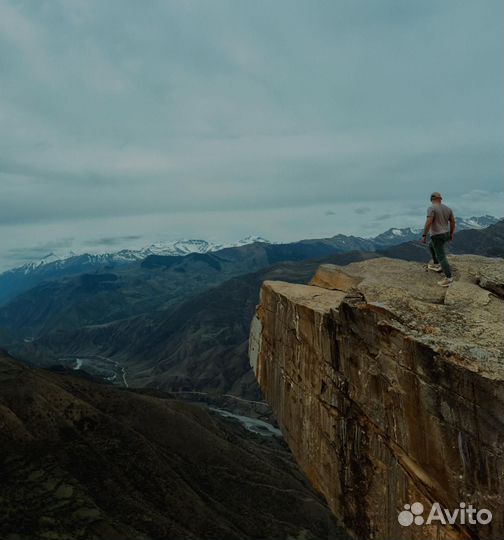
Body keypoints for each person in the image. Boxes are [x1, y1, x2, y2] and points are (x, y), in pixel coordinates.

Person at [421, 192, 456, 287]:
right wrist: (451, 233)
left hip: (437, 235)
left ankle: (449, 278)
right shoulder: (448, 209)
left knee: (442, 256)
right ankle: (436, 265)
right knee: (431, 245)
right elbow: (453, 222)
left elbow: (429, 222)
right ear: (440, 198)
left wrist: (424, 235)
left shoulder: (431, 208)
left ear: (432, 199)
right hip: (445, 233)